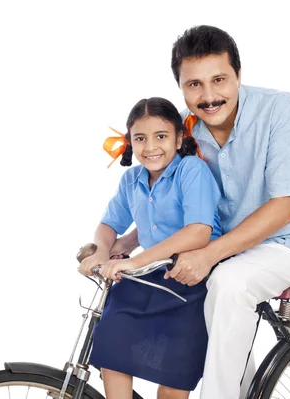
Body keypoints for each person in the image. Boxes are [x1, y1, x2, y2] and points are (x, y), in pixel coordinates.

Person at [110, 25, 290, 399]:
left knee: (227, 283)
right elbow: (163, 200)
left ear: (238, 76)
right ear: (180, 86)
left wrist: (208, 254)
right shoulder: (177, 129)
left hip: (283, 244)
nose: (208, 96)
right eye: (194, 85)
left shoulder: (280, 109)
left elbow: (285, 206)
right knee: (194, 302)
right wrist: (126, 243)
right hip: (217, 247)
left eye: (219, 80)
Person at [78, 96, 222, 399]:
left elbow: (197, 233)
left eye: (161, 136)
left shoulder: (191, 170)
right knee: (110, 347)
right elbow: (108, 225)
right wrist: (102, 251)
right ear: (130, 142)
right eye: (140, 138)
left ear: (179, 137)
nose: (150, 146)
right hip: (148, 276)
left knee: (172, 381)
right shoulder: (132, 179)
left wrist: (133, 260)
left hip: (190, 279)